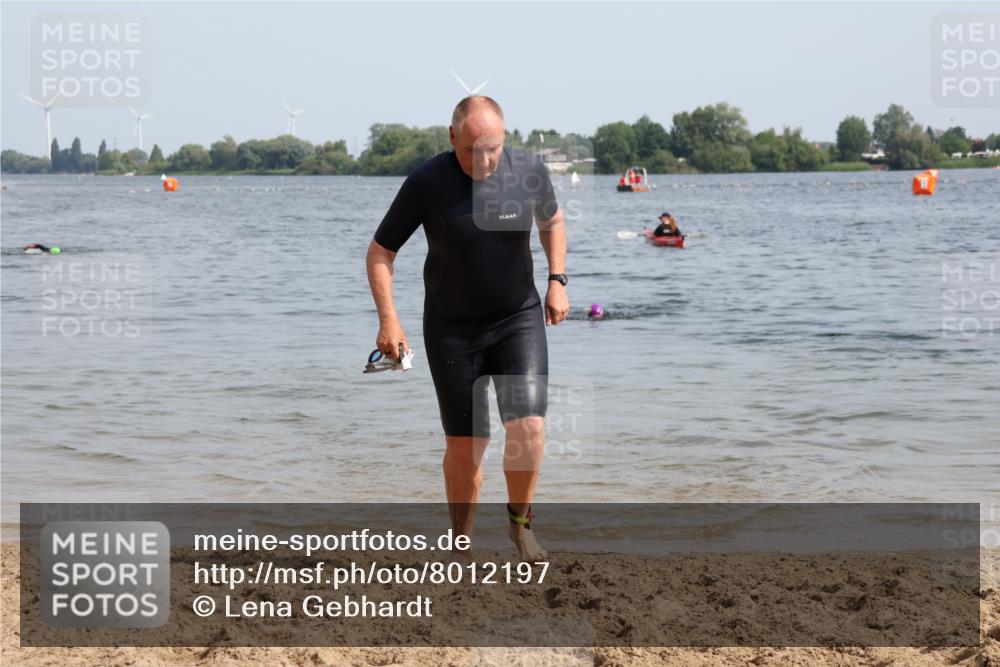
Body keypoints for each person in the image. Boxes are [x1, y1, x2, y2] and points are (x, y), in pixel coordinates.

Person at [366, 96, 569, 563]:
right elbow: (380, 252)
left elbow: (552, 222)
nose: (484, 160)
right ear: (452, 137)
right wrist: (389, 319)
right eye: (473, 149)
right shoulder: (427, 182)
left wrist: (557, 280)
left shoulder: (529, 172)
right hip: (451, 328)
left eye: (493, 149)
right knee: (466, 447)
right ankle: (462, 543)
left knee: (529, 428)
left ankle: (521, 527)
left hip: (517, 318)